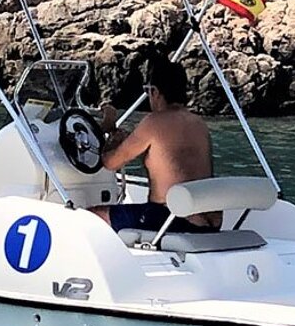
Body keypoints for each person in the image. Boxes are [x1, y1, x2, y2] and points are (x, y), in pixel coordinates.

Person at [92, 56, 220, 233]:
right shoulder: (198, 123)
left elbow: (110, 162)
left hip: (171, 218)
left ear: (156, 92)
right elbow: (170, 157)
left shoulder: (154, 122)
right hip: (207, 221)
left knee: (91, 216)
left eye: (148, 91)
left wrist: (109, 124)